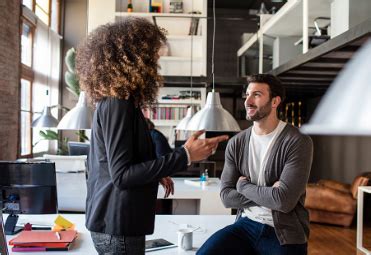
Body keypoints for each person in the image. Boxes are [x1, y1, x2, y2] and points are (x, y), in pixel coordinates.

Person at [75, 17, 228, 255]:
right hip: (118, 228)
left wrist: (154, 174)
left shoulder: (119, 103)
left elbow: (123, 166)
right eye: (151, 56)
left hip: (116, 225)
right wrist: (185, 154)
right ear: (133, 58)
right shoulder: (119, 104)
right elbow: (122, 176)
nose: (156, 62)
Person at [197, 74, 313, 255]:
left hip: (284, 231)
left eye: (257, 95)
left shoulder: (297, 142)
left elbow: (284, 201)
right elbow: (227, 197)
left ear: (275, 102)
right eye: (247, 94)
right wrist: (269, 193)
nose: (248, 101)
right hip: (246, 225)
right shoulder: (237, 143)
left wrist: (243, 186)